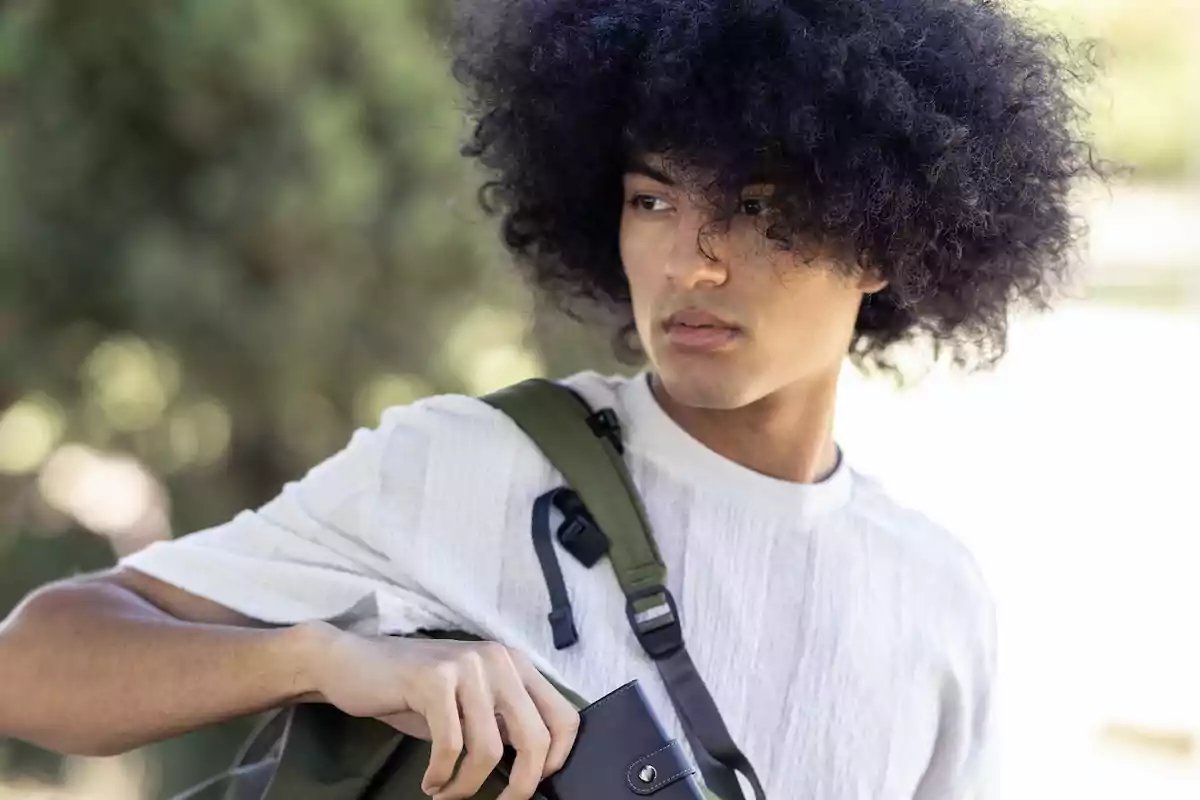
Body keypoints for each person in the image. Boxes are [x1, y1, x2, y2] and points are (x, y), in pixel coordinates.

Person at [0, 1, 1104, 798]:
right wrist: (319, 656)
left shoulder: (935, 601)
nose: (691, 262)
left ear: (885, 238)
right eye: (654, 198)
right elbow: (33, 665)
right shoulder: (468, 467)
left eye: (763, 209)